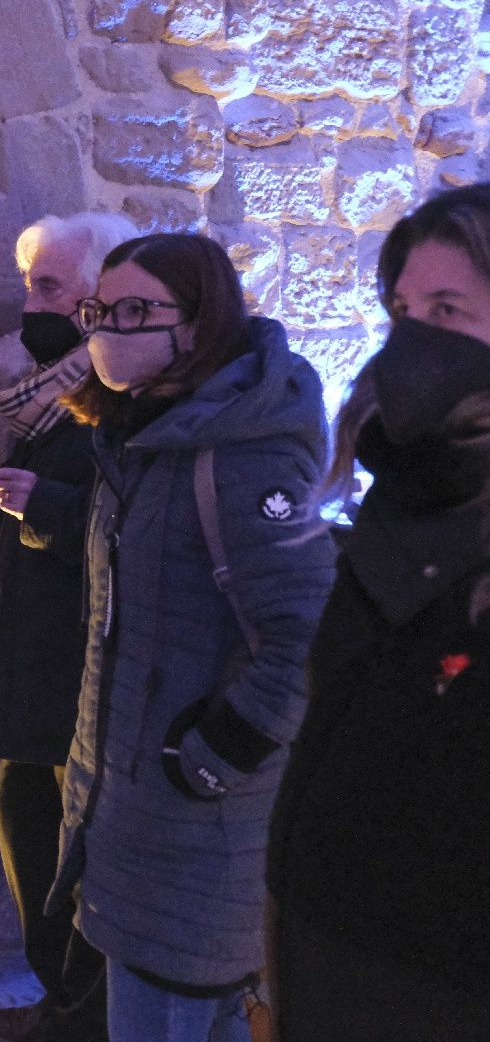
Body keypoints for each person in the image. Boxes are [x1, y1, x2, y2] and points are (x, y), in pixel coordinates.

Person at [43, 233, 335, 1041]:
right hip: (133, 811)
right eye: (101, 309)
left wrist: (207, 759)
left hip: (191, 831)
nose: (109, 328)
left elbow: (306, 633)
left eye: (138, 310)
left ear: (200, 322)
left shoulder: (242, 455)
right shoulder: (142, 437)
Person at [268, 185, 490, 1042]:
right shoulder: (399, 502)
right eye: (402, 309)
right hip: (324, 939)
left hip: (441, 986)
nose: (413, 338)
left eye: (448, 308)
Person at [0, 212, 136, 1042]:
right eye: (31, 284)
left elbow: (127, 520)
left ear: (97, 294)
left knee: (69, 840)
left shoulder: (119, 396)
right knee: (27, 817)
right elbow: (42, 514)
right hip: (33, 642)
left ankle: (79, 1016)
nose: (31, 302)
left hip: (79, 657)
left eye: (49, 286)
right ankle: (60, 999)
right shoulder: (52, 395)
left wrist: (39, 502)